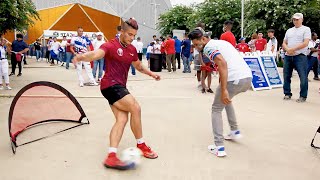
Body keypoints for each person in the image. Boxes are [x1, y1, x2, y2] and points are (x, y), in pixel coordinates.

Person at [72, 18, 160, 170]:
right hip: (111, 85)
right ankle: (141, 145)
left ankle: (111, 156)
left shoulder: (132, 49)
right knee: (135, 108)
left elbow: (138, 66)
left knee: (122, 119)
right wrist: (82, 57)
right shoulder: (111, 45)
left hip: (118, 86)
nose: (132, 38)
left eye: (134, 35)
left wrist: (152, 74)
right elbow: (96, 54)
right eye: (130, 34)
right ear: (121, 32)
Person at [188, 27, 252, 157]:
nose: (196, 47)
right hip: (246, 78)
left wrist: (223, 89)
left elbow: (222, 63)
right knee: (226, 101)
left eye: (196, 44)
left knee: (216, 109)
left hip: (233, 79)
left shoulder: (208, 47)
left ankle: (219, 147)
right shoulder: (222, 43)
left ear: (204, 39)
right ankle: (234, 131)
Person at [282, 13, 311, 103]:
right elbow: (284, 42)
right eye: (294, 19)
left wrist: (293, 49)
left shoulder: (306, 29)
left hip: (300, 56)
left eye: (297, 19)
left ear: (302, 20)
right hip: (288, 56)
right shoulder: (289, 30)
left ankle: (303, 95)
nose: (295, 21)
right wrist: (287, 49)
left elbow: (305, 43)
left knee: (303, 77)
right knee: (286, 76)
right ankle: (287, 93)